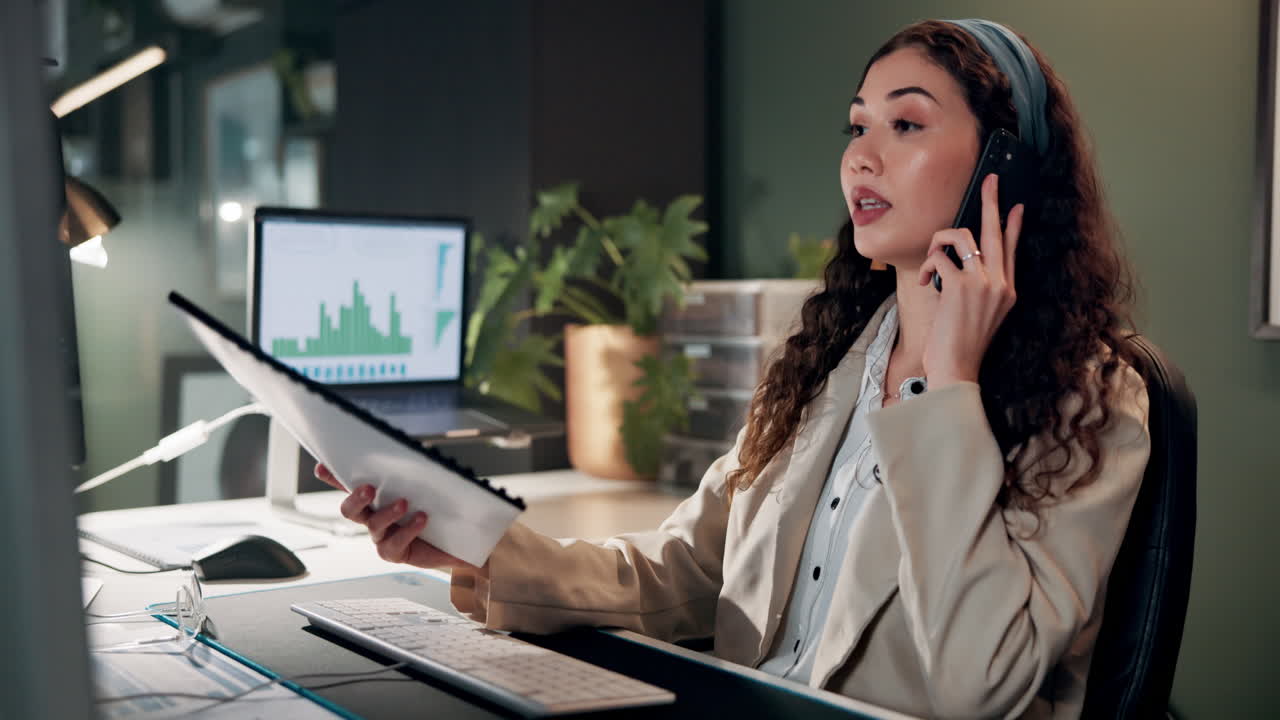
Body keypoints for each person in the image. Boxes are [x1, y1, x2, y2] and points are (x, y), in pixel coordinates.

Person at [315, 18, 1150, 719]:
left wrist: (950, 383)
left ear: (1006, 169)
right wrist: (472, 548)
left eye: (906, 125)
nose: (862, 156)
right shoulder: (830, 359)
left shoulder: (1091, 406)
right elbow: (685, 572)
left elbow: (981, 682)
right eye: (857, 125)